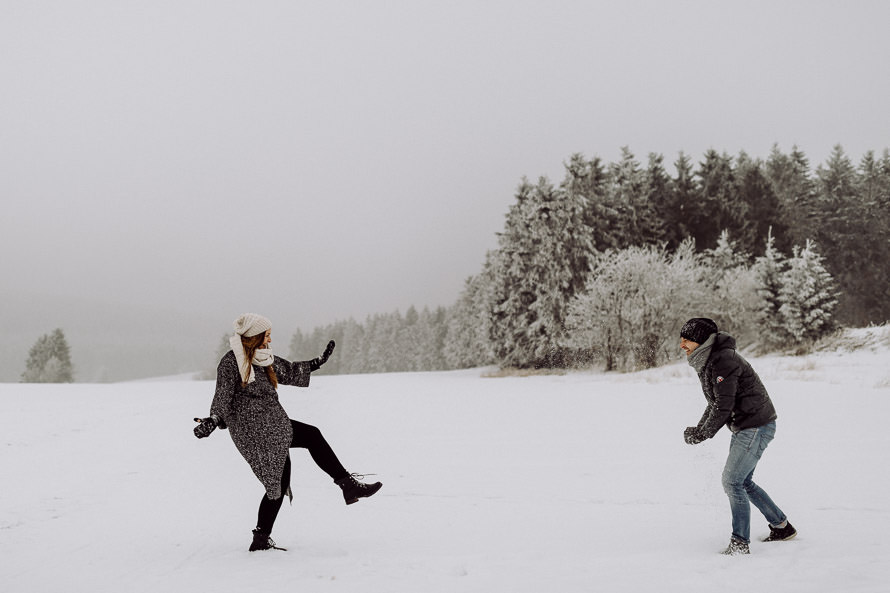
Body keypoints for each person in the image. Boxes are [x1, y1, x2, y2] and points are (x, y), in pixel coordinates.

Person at [194, 313, 382, 552]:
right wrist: (213, 419)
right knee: (310, 438)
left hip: (273, 422)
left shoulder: (262, 357)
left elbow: (289, 370)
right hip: (253, 429)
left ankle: (260, 540)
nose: (270, 339)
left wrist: (317, 362)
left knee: (278, 486)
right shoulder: (232, 362)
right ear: (254, 336)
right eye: (267, 335)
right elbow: (222, 396)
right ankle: (347, 485)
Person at [679, 317, 796, 555]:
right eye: (681, 338)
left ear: (702, 341)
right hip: (748, 425)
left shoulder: (723, 360)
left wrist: (703, 433)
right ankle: (782, 527)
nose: (682, 344)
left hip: (756, 425)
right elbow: (716, 402)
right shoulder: (710, 359)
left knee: (732, 481)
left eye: (687, 339)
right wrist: (699, 428)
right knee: (743, 482)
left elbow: (724, 404)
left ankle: (740, 543)